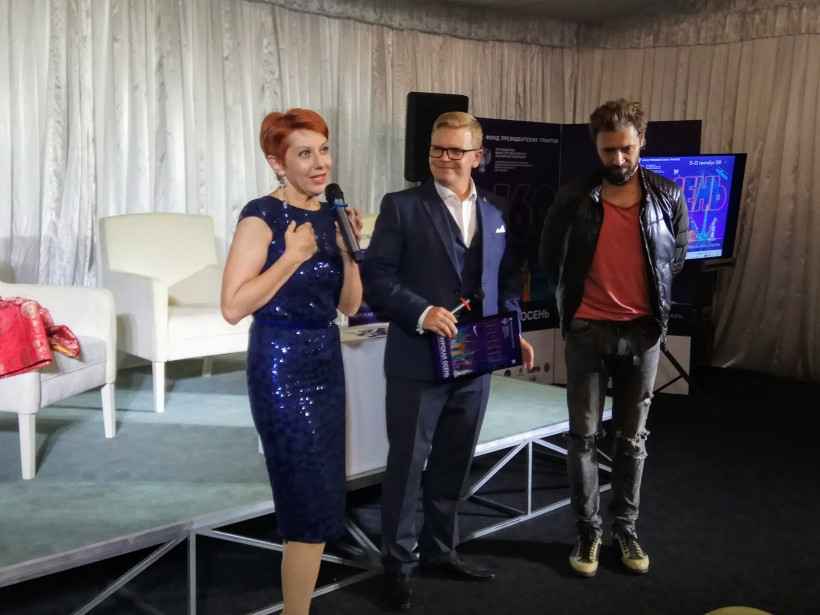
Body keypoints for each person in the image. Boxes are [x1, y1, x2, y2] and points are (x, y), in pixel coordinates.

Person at [361, 111, 534, 610]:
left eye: (455, 150)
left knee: (454, 463)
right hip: (417, 359)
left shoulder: (497, 210)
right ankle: (397, 565)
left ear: (477, 157)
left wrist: (512, 330)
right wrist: (421, 311)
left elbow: (507, 277)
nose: (442, 157)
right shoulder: (401, 206)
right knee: (407, 465)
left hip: (476, 358)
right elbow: (377, 279)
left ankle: (441, 551)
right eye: (437, 148)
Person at [221, 108, 362, 615]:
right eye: (304, 153)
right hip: (280, 365)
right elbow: (232, 306)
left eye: (323, 149)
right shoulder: (261, 215)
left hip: (326, 359)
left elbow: (350, 306)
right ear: (277, 163)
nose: (320, 162)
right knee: (304, 497)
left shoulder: (331, 216)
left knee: (322, 494)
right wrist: (291, 257)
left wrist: (347, 252)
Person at [539, 98, 688, 577]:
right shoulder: (573, 197)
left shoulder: (668, 195)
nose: (618, 159)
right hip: (587, 331)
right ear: (596, 147)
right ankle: (588, 532)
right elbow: (550, 258)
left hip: (642, 334)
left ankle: (625, 528)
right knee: (582, 437)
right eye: (608, 151)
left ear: (642, 141)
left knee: (632, 438)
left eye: (627, 148)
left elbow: (674, 260)